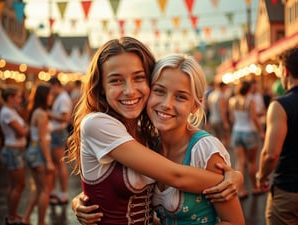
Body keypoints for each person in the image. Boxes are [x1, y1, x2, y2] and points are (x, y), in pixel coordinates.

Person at [65, 37, 243, 225]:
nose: (130, 90)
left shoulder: (148, 138)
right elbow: (176, 176)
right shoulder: (97, 124)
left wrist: (234, 177)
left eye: (138, 78)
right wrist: (230, 178)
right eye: (116, 80)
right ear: (101, 87)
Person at [147, 54, 244, 224]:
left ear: (195, 105)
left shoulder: (204, 150)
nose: (166, 104)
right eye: (159, 91)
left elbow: (235, 222)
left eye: (180, 97)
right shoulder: (149, 144)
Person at [257, 47, 298, 225]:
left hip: (289, 190)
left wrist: (261, 175)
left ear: (285, 70)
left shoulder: (280, 105)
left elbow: (270, 154)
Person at [21, 84, 55, 225]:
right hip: (40, 152)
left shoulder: (38, 111)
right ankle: (41, 222)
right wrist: (48, 160)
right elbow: (42, 139)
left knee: (38, 188)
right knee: (45, 190)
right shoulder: (41, 114)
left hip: (34, 151)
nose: (52, 97)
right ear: (44, 96)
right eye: (50, 94)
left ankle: (26, 218)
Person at [228, 80, 265, 199]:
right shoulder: (250, 100)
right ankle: (255, 187)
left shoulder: (232, 101)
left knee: (240, 162)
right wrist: (261, 131)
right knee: (252, 162)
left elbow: (232, 119)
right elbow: (254, 118)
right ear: (248, 89)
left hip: (236, 132)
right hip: (249, 132)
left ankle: (241, 190)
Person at [0, 85, 29, 225]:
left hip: (15, 150)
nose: (20, 99)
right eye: (18, 97)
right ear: (10, 98)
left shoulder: (11, 111)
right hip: (13, 151)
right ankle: (11, 217)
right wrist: (27, 128)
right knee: (18, 185)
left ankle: (12, 214)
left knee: (14, 185)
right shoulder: (8, 113)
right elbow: (21, 132)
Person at [48, 76, 73, 205]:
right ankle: (57, 192)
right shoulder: (61, 97)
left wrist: (48, 113)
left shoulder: (63, 98)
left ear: (56, 85)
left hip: (58, 132)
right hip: (56, 132)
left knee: (60, 164)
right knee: (57, 164)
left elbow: (66, 118)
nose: (50, 91)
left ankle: (63, 193)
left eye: (51, 88)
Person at [207, 81, 230, 148]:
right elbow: (222, 110)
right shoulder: (221, 96)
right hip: (220, 120)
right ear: (222, 87)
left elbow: (208, 107)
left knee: (216, 139)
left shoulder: (211, 95)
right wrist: (225, 122)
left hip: (212, 119)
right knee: (224, 139)